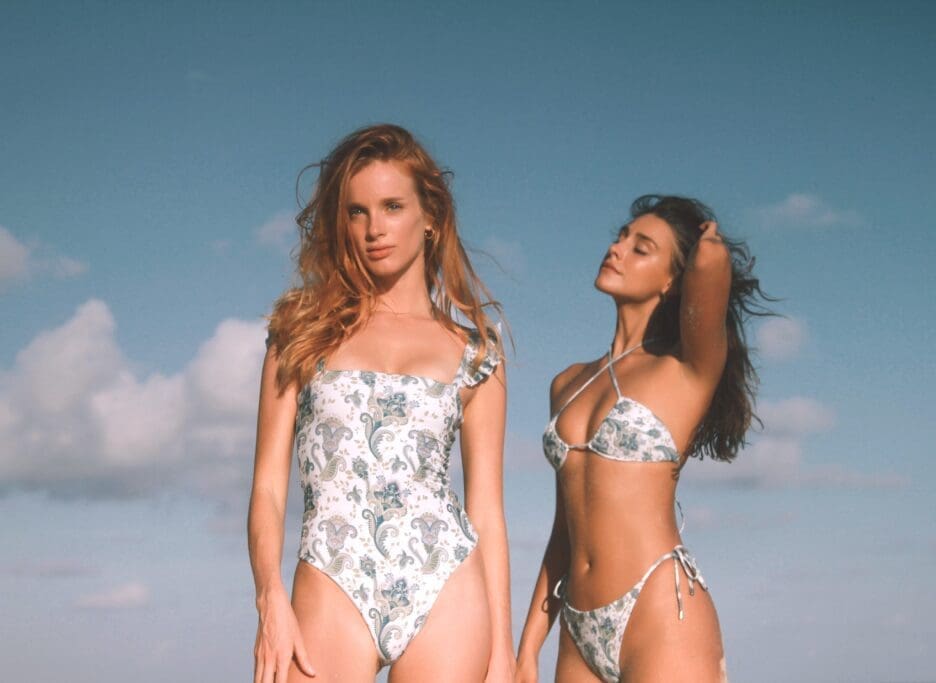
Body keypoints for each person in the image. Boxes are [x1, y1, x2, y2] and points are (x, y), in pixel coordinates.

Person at [247, 124, 514, 683]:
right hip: (332, 573)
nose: (374, 229)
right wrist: (270, 598)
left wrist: (503, 652)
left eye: (392, 206)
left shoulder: (476, 355)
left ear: (431, 215)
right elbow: (269, 488)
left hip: (446, 581)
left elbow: (486, 508)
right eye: (357, 211)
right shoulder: (300, 331)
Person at [516, 195, 770, 682]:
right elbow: (564, 530)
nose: (617, 248)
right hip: (577, 626)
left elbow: (710, 279)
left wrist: (708, 242)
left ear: (673, 280)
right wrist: (529, 647)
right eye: (621, 236)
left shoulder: (686, 369)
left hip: (660, 613)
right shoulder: (567, 384)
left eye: (641, 247)